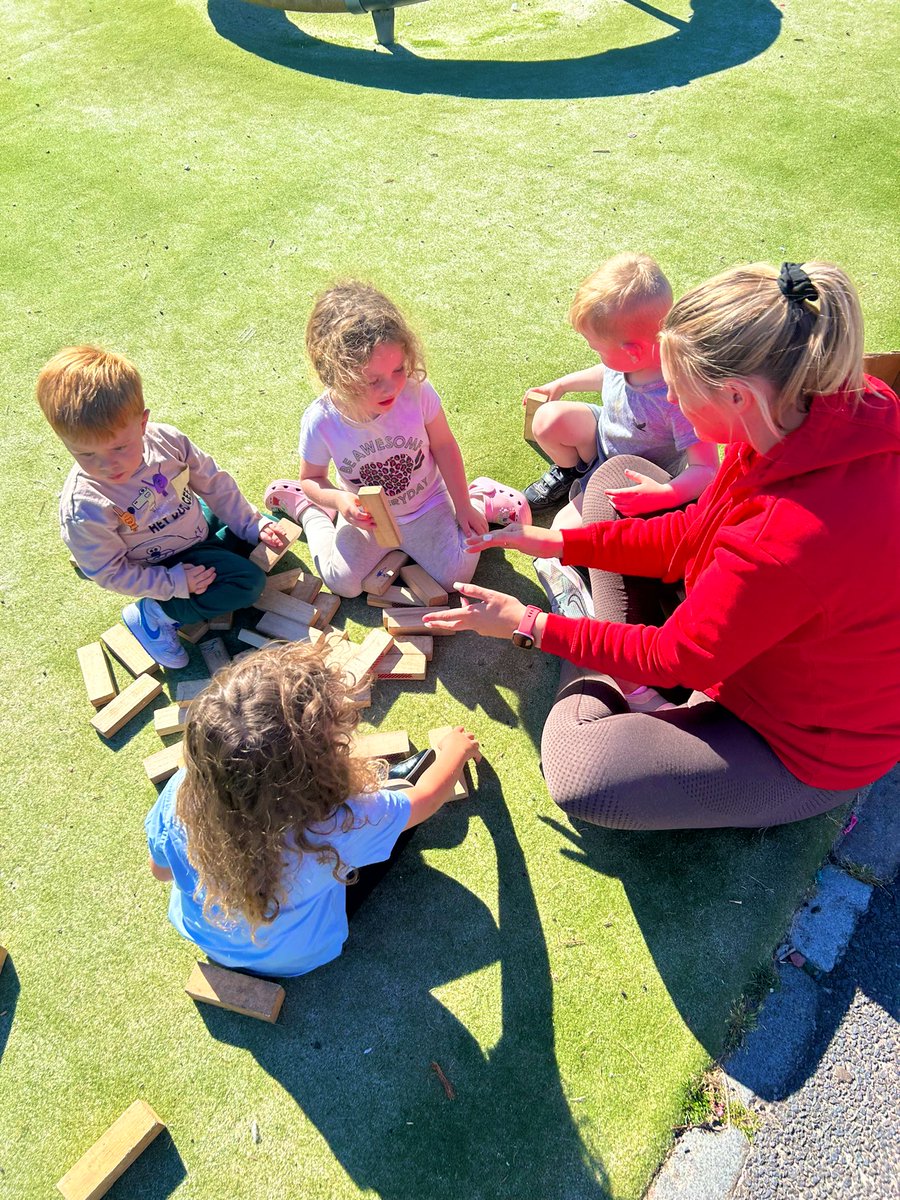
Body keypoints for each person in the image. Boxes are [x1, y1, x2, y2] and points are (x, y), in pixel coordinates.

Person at [423, 261, 900, 830]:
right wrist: (555, 542)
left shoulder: (783, 540)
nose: (667, 392)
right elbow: (697, 527)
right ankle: (617, 655)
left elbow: (675, 656)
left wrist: (528, 624)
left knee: (583, 773)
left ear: (738, 395)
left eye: (679, 384)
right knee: (614, 482)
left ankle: (588, 627)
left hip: (800, 743)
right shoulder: (809, 411)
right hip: (750, 639)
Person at [145, 642, 481, 977]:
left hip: (212, 940)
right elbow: (426, 797)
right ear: (313, 765)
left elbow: (160, 871)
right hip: (301, 957)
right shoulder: (340, 823)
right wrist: (455, 750)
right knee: (404, 794)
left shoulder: (182, 792)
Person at [263, 281, 528, 597]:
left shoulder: (416, 392)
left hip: (427, 503)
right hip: (369, 518)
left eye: (399, 369)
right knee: (342, 583)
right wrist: (338, 500)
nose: (391, 387)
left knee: (454, 579)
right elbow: (312, 478)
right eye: (373, 380)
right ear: (337, 376)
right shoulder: (321, 421)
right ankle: (309, 511)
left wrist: (461, 506)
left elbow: (444, 446)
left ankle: (479, 498)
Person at [37, 346, 288, 668]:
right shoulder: (86, 506)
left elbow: (213, 484)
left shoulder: (168, 442)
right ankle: (153, 614)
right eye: (86, 454)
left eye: (120, 447)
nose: (107, 465)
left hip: (192, 525)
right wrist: (170, 584)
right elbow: (108, 572)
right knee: (247, 584)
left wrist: (251, 523)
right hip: (162, 564)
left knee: (264, 530)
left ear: (142, 424)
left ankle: (221, 553)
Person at [522, 253, 718, 525]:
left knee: (562, 528)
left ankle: (592, 501)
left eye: (598, 350)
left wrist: (663, 493)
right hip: (603, 441)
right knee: (547, 420)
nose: (597, 355)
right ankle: (573, 475)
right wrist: (563, 385)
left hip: (628, 476)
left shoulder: (679, 396)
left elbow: (706, 468)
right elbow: (608, 375)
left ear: (633, 352)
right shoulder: (631, 359)